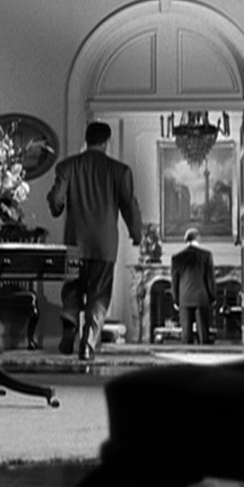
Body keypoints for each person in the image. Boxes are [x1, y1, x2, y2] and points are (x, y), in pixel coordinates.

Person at [47, 121, 143, 360]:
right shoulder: (119, 171)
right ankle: (88, 343)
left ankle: (69, 323)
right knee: (99, 294)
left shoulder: (68, 166)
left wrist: (55, 203)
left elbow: (57, 201)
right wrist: (136, 233)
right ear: (106, 142)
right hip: (104, 244)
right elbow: (129, 205)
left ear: (86, 139)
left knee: (72, 288)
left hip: (74, 243)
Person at [170, 228, 216, 345]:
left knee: (186, 336)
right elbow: (210, 279)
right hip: (202, 298)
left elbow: (174, 281)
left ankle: (186, 359)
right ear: (198, 239)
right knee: (203, 335)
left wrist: (176, 300)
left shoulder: (177, 257)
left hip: (184, 298)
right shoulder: (206, 255)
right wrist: (213, 297)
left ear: (185, 240)